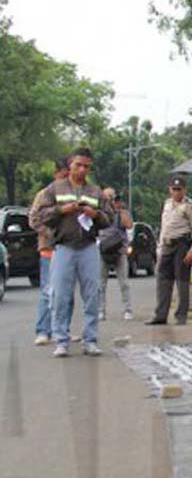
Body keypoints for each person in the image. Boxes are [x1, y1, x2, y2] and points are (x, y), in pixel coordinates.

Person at [34, 148, 112, 358]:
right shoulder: (54, 189)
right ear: (70, 164)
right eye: (78, 165)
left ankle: (90, 340)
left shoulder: (95, 191)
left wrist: (94, 214)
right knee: (60, 295)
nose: (82, 169)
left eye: (86, 166)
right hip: (63, 247)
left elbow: (109, 218)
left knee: (92, 295)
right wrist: (62, 210)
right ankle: (61, 339)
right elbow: (40, 215)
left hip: (88, 247)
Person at [146, 176, 192, 326]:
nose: (176, 192)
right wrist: (159, 248)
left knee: (182, 281)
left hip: (182, 244)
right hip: (167, 244)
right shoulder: (167, 204)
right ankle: (160, 315)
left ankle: (181, 315)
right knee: (163, 280)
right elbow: (164, 227)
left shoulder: (190, 205)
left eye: (179, 189)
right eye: (174, 189)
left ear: (184, 190)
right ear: (169, 189)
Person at [29, 157, 72, 345]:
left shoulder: (74, 194)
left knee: (67, 293)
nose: (66, 179)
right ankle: (43, 330)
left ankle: (62, 330)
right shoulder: (45, 194)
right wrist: (51, 234)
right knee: (49, 291)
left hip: (69, 249)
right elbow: (34, 219)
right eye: (63, 175)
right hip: (49, 249)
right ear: (56, 174)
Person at [97, 188, 134, 321]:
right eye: (108, 198)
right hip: (103, 250)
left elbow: (129, 225)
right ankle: (100, 310)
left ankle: (127, 309)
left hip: (119, 250)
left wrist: (119, 210)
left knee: (124, 282)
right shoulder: (100, 212)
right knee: (101, 284)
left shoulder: (121, 212)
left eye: (113, 198)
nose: (111, 201)